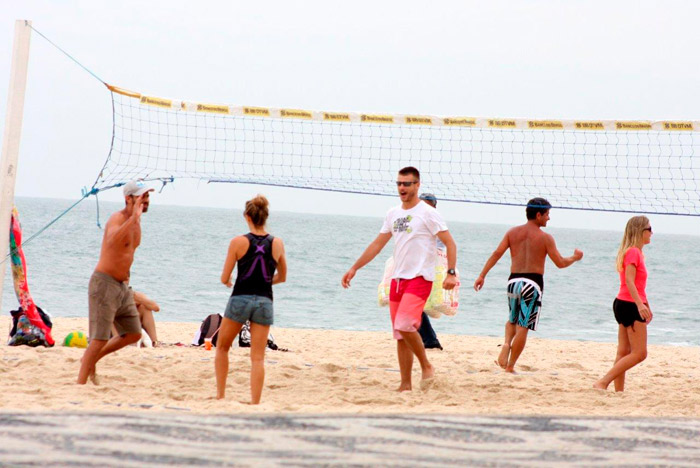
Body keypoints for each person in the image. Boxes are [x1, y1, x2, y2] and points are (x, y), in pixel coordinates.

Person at [342, 167, 457, 391]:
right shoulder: (393, 213)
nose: (402, 188)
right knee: (400, 334)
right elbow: (377, 244)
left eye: (407, 184)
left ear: (417, 185)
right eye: (399, 184)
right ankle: (405, 384)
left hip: (420, 278)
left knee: (405, 324)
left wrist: (451, 272)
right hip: (397, 280)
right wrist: (355, 267)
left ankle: (426, 365)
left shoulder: (428, 213)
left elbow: (450, 243)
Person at [473, 197, 583, 373]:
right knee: (523, 325)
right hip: (532, 284)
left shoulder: (512, 232)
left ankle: (507, 343)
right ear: (538, 214)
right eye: (547, 214)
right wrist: (575, 258)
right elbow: (560, 263)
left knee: (512, 319)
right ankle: (510, 366)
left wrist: (482, 275)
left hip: (513, 282)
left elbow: (496, 253)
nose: (549, 218)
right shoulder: (545, 237)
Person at [77, 180, 154, 384]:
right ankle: (80, 383)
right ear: (128, 199)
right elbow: (111, 241)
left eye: (147, 196)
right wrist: (132, 220)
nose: (145, 201)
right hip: (104, 283)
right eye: (141, 197)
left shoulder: (137, 224)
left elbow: (127, 254)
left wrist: (135, 220)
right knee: (99, 338)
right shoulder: (117, 218)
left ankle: (91, 359)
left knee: (134, 334)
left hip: (122, 287)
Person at [215, 194, 287, 404]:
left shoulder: (238, 242)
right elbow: (282, 277)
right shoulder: (277, 243)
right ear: (265, 217)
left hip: (240, 298)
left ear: (247, 216)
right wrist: (264, 282)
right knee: (257, 357)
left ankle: (220, 396)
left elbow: (223, 277)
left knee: (222, 347)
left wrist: (228, 280)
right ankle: (255, 402)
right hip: (265, 301)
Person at [594, 216, 653, 391]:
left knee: (623, 351)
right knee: (640, 353)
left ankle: (618, 392)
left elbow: (638, 285)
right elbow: (629, 280)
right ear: (640, 231)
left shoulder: (635, 252)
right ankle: (603, 382)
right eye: (649, 229)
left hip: (624, 303)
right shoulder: (633, 252)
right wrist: (640, 305)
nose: (652, 232)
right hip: (629, 305)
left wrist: (646, 303)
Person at [417, 193, 444, 350]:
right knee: (414, 306)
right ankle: (428, 340)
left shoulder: (436, 223)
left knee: (415, 305)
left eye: (428, 205)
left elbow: (442, 249)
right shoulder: (415, 221)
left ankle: (430, 340)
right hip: (415, 269)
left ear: (434, 207)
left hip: (427, 270)